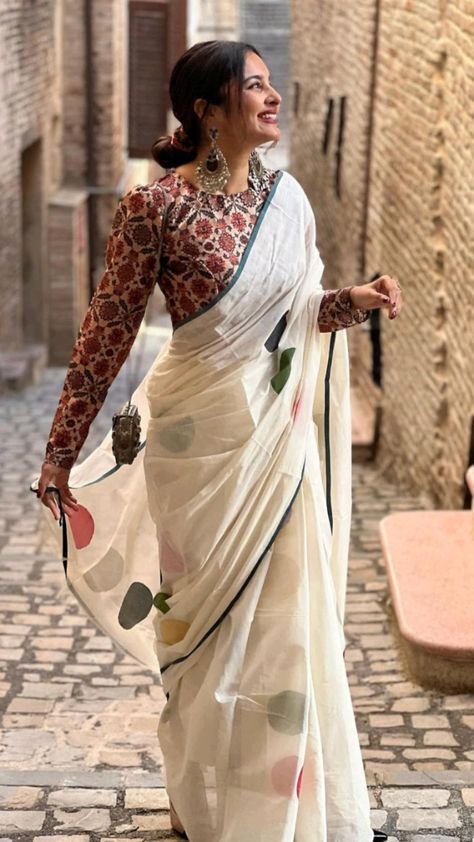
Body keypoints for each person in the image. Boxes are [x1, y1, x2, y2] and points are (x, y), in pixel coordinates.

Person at [36, 40, 401, 842]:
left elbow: (300, 315)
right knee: (198, 644)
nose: (273, 97)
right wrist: (61, 452)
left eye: (271, 84)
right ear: (207, 110)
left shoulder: (288, 201)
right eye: (254, 86)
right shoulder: (155, 208)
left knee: (281, 636)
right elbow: (105, 334)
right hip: (195, 451)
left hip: (276, 451)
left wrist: (356, 299)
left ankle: (276, 805)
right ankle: (200, 802)